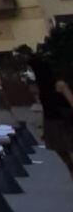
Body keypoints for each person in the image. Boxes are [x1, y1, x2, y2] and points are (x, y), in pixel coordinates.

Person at [35, 54, 73, 182]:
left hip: (63, 121)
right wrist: (43, 128)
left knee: (67, 151)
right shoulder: (45, 87)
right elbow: (45, 108)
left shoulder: (58, 84)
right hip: (52, 122)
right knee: (63, 153)